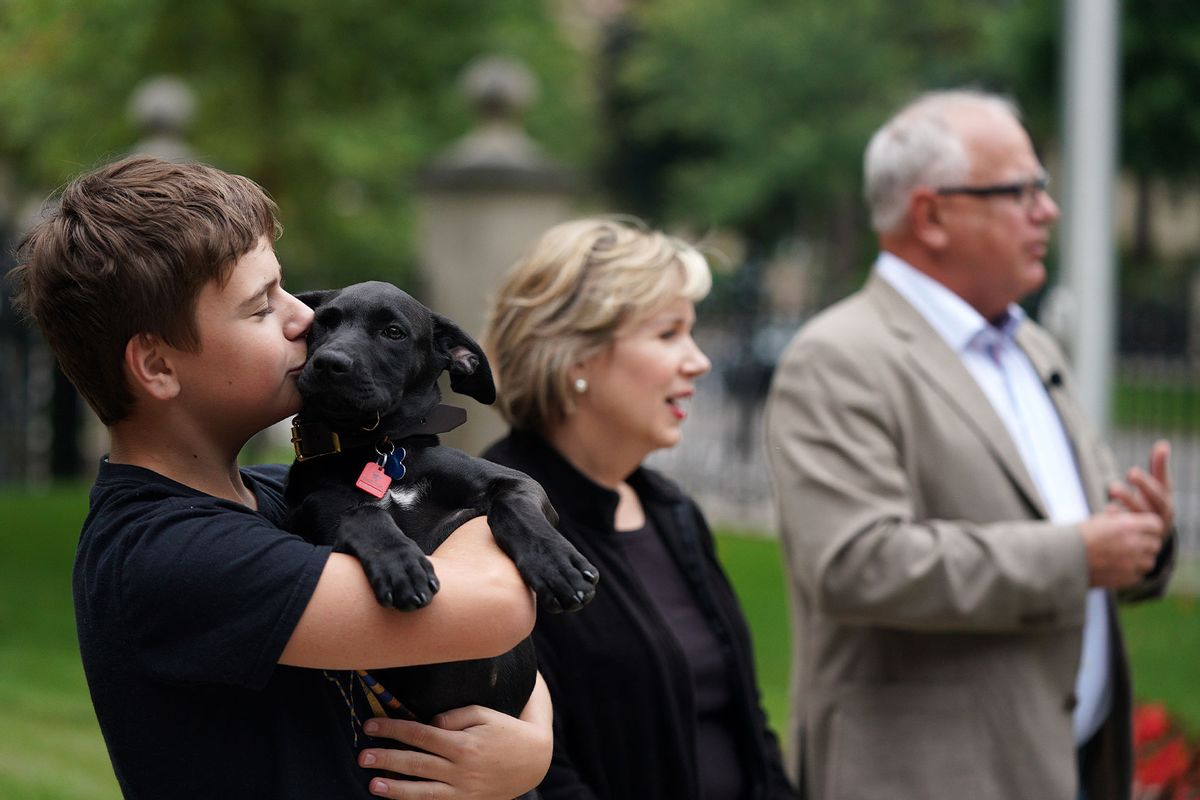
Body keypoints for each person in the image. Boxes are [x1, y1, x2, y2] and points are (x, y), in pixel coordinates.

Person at [9, 154, 553, 799]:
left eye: (285, 288)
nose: (306, 320)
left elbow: (497, 652)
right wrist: (491, 504)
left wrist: (532, 745)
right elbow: (494, 610)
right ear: (157, 366)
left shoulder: (282, 489)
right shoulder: (169, 554)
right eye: (260, 307)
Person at [764, 89, 1175, 800]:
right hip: (927, 776)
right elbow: (856, 562)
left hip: (1061, 763)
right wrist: (1079, 554)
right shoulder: (839, 356)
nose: (1047, 211)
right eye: (1021, 191)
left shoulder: (1030, 345)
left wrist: (1143, 539)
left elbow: (1089, 528)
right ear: (932, 214)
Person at [479, 218, 797, 799]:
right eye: (669, 333)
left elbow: (746, 723)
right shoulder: (495, 527)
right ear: (576, 355)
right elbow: (542, 775)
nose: (698, 361)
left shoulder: (672, 511)